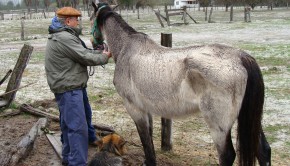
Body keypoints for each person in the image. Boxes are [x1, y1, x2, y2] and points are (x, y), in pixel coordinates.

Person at [45, 7, 111, 166]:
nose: (78, 22)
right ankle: (77, 163)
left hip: (70, 87)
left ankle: (68, 159)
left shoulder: (63, 36)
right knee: (77, 129)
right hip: (69, 89)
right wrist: (104, 57)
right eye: (76, 19)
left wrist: (99, 54)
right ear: (68, 21)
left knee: (69, 126)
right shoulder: (65, 38)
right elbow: (83, 56)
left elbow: (82, 52)